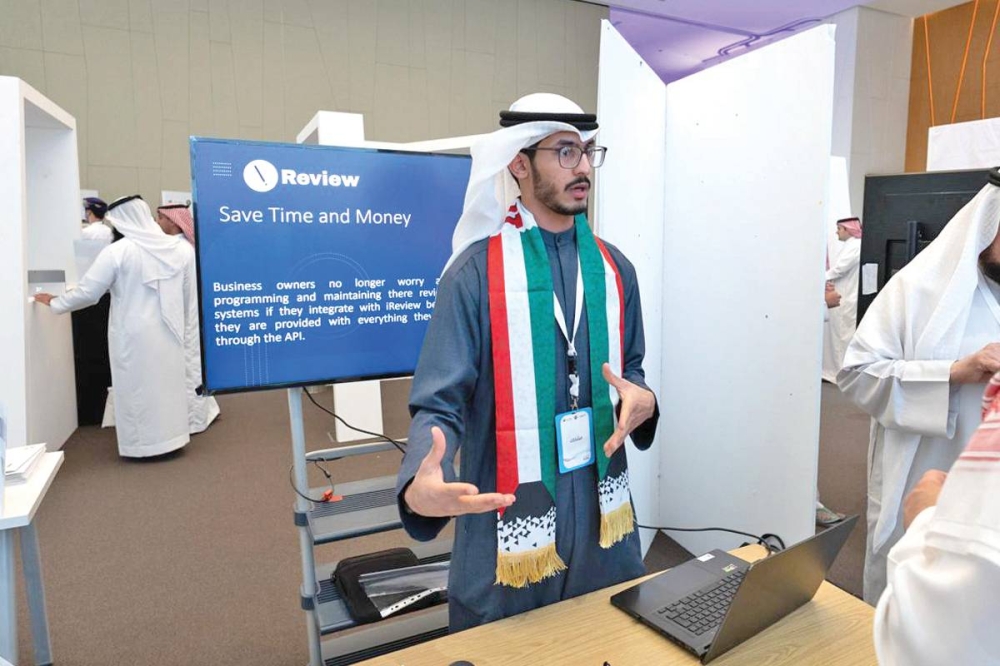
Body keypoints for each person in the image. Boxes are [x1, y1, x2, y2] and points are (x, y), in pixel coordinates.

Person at [395, 93, 659, 632]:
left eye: (586, 151)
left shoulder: (617, 271)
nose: (583, 168)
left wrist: (645, 400)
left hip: (605, 536)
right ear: (519, 164)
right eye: (564, 152)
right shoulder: (473, 276)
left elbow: (632, 372)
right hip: (509, 538)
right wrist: (420, 480)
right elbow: (439, 405)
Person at [838, 172, 1000, 603]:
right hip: (929, 479)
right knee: (916, 602)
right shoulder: (917, 290)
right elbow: (858, 373)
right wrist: (955, 371)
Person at [35, 195, 195, 457]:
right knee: (168, 385)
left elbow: (89, 293)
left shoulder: (118, 252)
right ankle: (172, 439)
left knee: (136, 386)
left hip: (132, 334)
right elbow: (188, 295)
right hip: (170, 331)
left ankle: (143, 447)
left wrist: (56, 302)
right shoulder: (180, 250)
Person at [873, 372, 1000, 664]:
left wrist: (924, 520)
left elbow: (938, 641)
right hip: (920, 455)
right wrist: (955, 370)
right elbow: (860, 374)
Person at [154, 203, 220, 434]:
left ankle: (194, 419)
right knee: (195, 364)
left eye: (160, 218)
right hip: (192, 313)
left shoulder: (178, 249)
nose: (158, 223)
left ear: (173, 221)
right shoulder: (185, 247)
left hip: (186, 316)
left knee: (190, 366)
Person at [822, 217, 862, 381]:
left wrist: (819, 278)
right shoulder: (849, 246)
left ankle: (841, 372)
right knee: (837, 333)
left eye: (839, 229)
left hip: (846, 298)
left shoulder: (856, 245)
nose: (836, 232)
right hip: (839, 295)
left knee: (843, 334)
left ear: (847, 229)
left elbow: (839, 269)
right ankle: (834, 369)